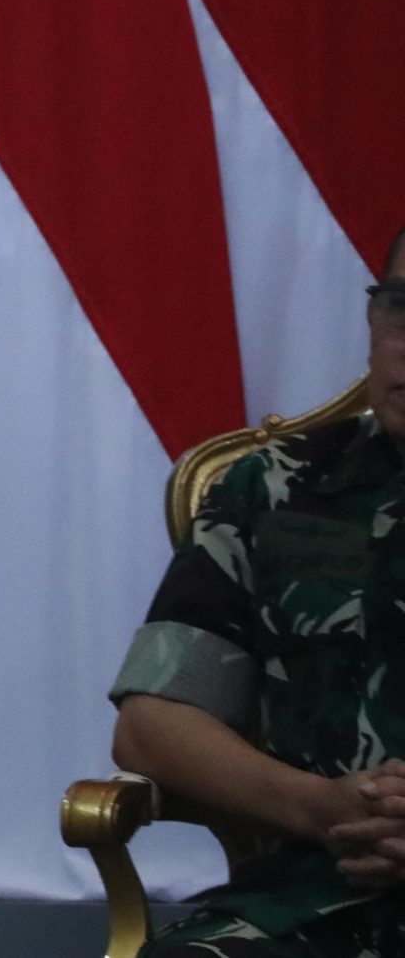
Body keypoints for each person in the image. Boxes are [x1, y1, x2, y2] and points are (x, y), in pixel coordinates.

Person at [107, 226, 405, 957]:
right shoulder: (272, 489)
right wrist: (322, 809)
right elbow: (153, 725)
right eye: (401, 307)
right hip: (309, 904)